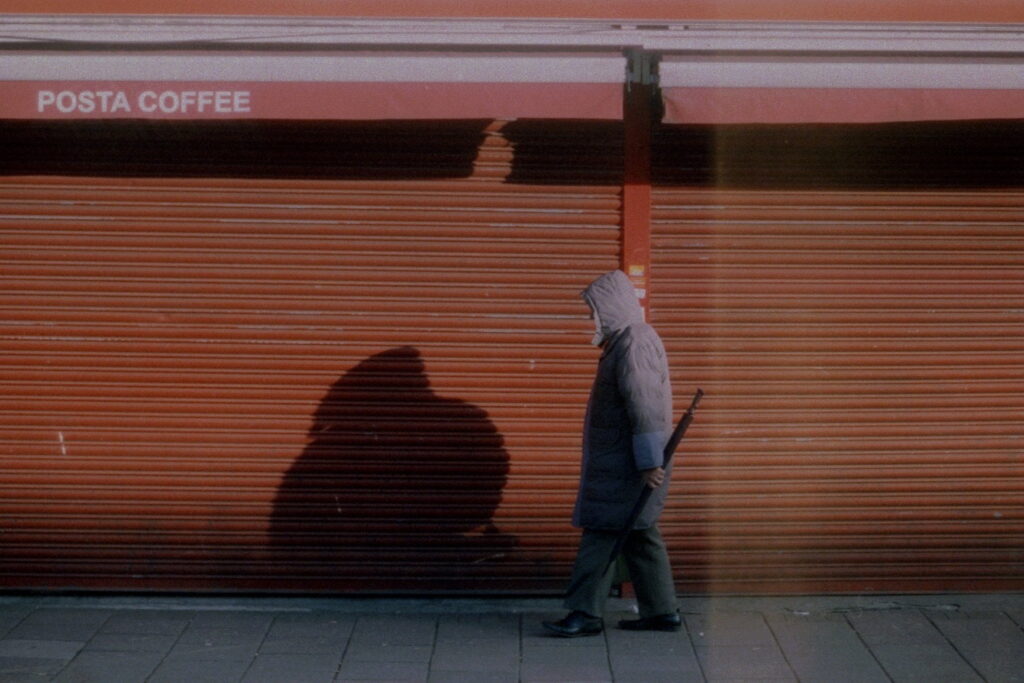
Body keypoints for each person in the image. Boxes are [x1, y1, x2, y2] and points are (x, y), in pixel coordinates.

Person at [543, 269, 680, 637]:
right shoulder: (628, 341)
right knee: (640, 533)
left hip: (626, 466)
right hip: (625, 462)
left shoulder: (633, 342)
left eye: (595, 310)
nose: (592, 318)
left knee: (601, 533)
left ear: (612, 306)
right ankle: (662, 612)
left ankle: (585, 613)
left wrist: (649, 462)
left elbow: (644, 405)